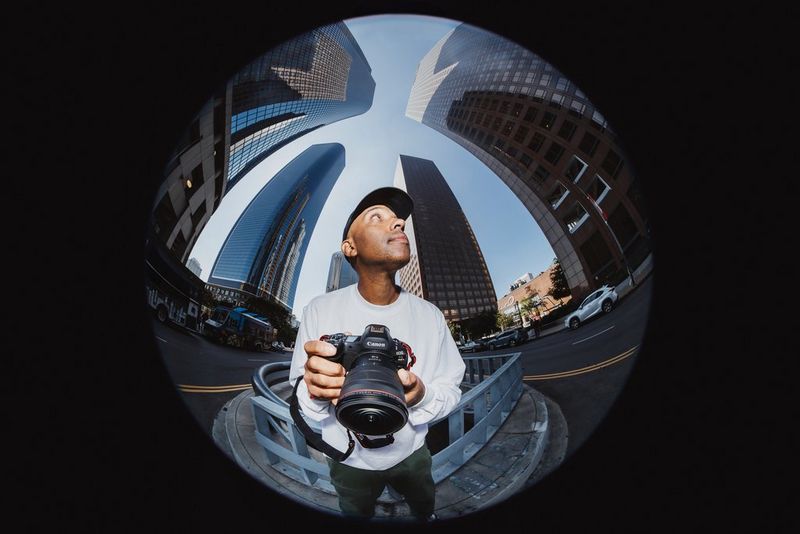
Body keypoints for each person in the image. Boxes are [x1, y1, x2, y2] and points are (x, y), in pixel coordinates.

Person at [288, 186, 466, 521]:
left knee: (424, 508)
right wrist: (315, 387)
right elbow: (300, 391)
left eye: (399, 221)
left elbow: (452, 388)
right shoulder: (319, 309)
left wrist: (421, 395)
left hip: (412, 452)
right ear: (349, 247)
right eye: (378, 217)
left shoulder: (430, 315)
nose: (398, 224)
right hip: (347, 457)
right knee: (355, 512)